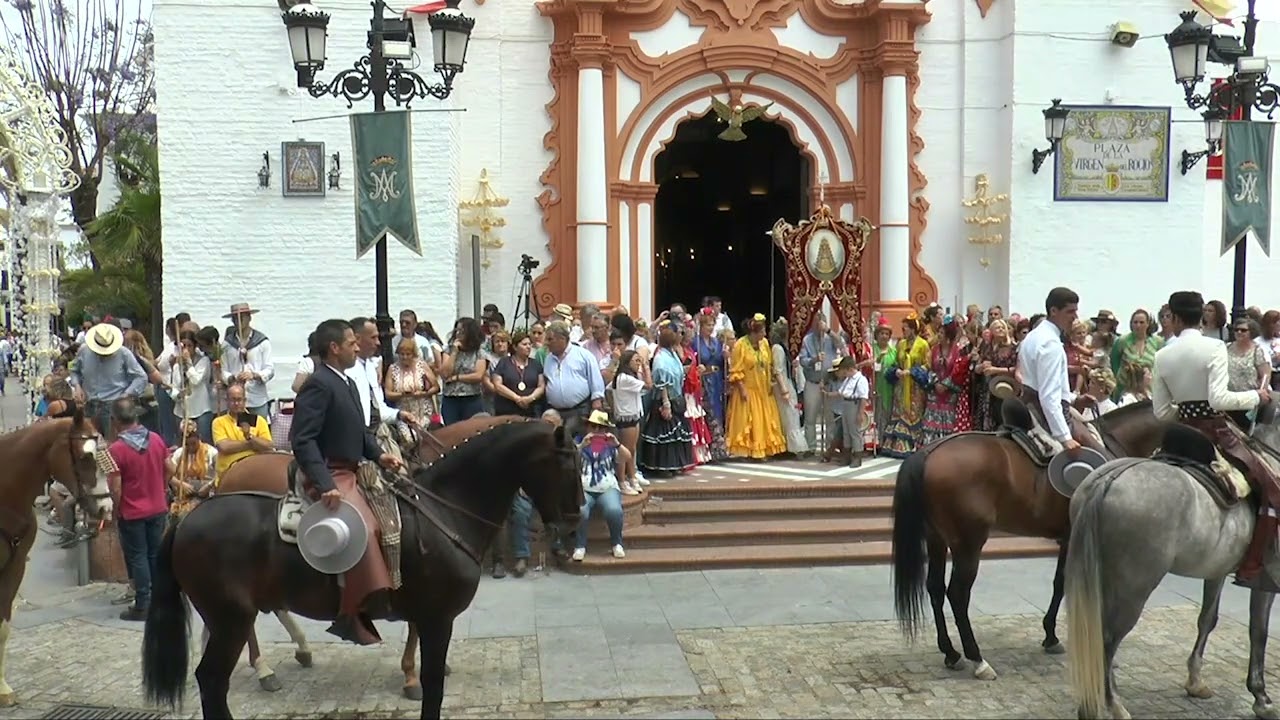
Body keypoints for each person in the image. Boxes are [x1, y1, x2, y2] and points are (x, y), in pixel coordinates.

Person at [1152, 291, 1280, 591]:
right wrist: (1256, 396)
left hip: (1179, 432)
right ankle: (1253, 564)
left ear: (1174, 317)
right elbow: (1218, 399)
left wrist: (1187, 411)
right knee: (1272, 486)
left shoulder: (1162, 355)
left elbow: (1161, 412)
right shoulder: (1214, 347)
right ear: (1200, 316)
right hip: (1216, 431)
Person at [289, 318, 403, 645]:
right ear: (334, 348)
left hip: (354, 469)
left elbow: (359, 432)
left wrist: (380, 455)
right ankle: (350, 611)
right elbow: (303, 439)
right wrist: (325, 483)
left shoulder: (349, 382)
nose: (357, 347)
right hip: (330, 471)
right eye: (352, 343)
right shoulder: (318, 384)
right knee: (362, 528)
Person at [1015, 287, 1108, 455]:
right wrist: (1065, 437)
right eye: (1070, 311)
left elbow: (1040, 384)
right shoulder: (1050, 344)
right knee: (1099, 456)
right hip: (1044, 413)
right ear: (1053, 311)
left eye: (1076, 311)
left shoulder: (1033, 336)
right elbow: (1048, 396)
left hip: (1031, 405)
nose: (1075, 317)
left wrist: (1075, 399)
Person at [106, 397, 172, 621]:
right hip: (157, 506)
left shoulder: (115, 450)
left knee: (138, 557)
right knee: (154, 554)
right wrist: (162, 487)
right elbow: (170, 467)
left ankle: (143, 603)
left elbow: (115, 487)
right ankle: (159, 600)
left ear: (115, 420)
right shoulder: (156, 439)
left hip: (132, 511)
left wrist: (116, 510)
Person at [211, 381, 274, 485]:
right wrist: (253, 444)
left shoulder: (258, 420)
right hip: (228, 473)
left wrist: (249, 436)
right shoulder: (218, 422)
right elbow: (224, 447)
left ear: (244, 401)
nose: (236, 404)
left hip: (254, 470)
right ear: (227, 401)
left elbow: (268, 446)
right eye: (233, 400)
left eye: (239, 400)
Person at [827, 356, 870, 467]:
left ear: (850, 369)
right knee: (846, 432)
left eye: (845, 371)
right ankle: (847, 456)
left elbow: (863, 398)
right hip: (845, 405)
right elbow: (841, 392)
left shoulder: (861, 380)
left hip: (854, 405)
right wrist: (827, 394)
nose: (844, 374)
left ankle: (857, 456)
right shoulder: (848, 379)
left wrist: (860, 413)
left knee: (854, 432)